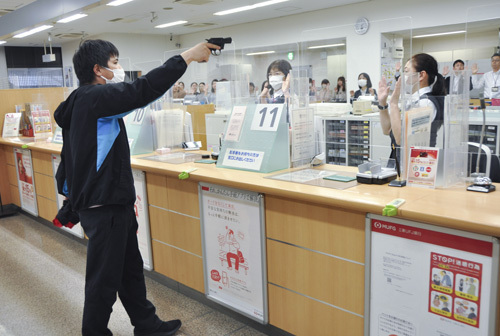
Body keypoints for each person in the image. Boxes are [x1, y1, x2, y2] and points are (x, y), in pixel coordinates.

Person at [54, 39, 217, 336]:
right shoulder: (94, 98)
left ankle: (146, 324)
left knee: (129, 269)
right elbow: (141, 90)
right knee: (103, 278)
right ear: (98, 70)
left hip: (110, 202)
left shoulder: (79, 100)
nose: (119, 70)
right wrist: (188, 57)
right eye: (115, 64)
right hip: (104, 205)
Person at [378, 53, 446, 160]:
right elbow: (387, 130)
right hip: (401, 161)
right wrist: (382, 104)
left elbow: (401, 139)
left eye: (406, 71)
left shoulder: (426, 103)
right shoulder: (415, 100)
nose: (403, 76)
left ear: (421, 75)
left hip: (416, 164)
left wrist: (394, 103)